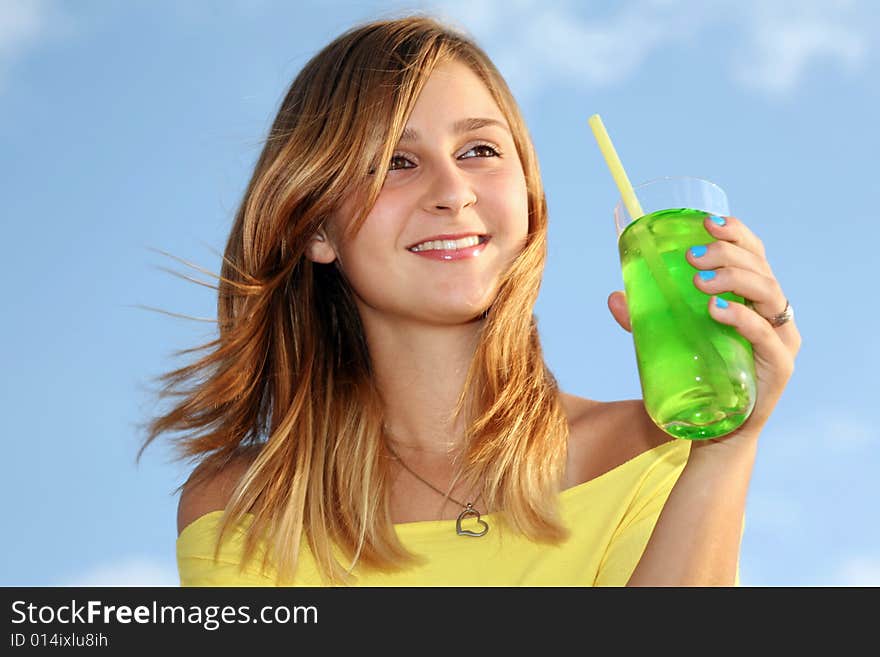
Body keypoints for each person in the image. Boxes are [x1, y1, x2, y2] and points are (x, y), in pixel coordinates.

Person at [139, 14, 801, 586]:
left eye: (479, 149)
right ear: (316, 226)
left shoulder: (653, 451)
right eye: (397, 161)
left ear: (529, 198)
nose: (453, 190)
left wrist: (725, 447)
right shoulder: (243, 507)